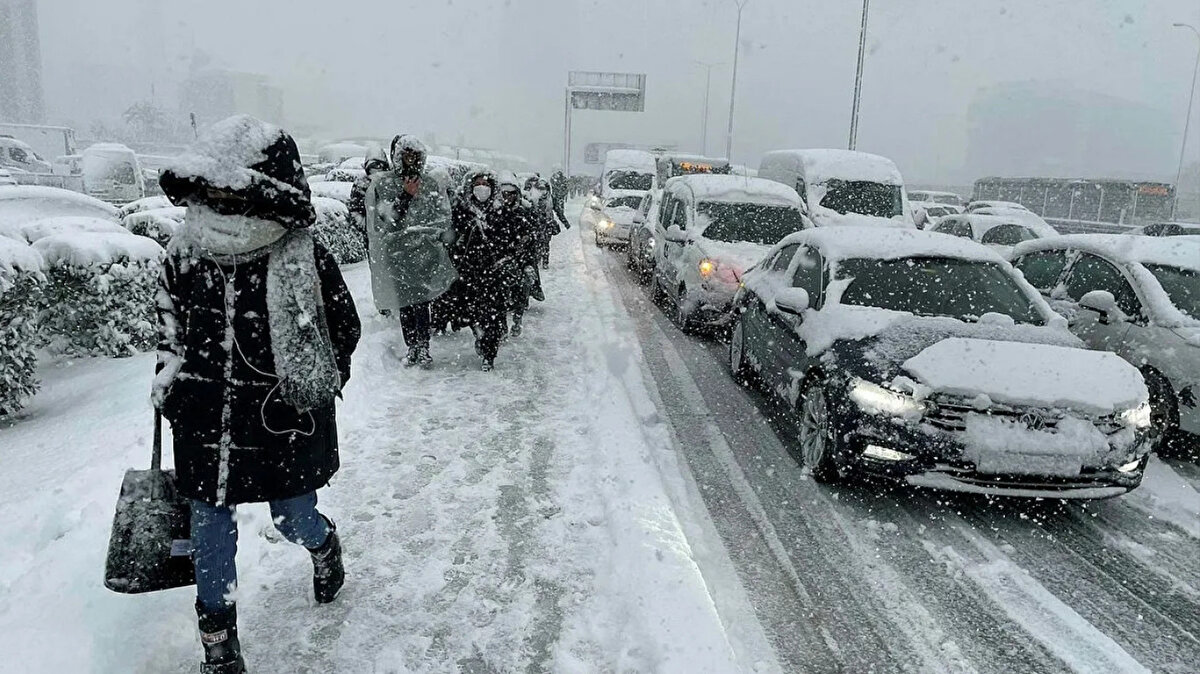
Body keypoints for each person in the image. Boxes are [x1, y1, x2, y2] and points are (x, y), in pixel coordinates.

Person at [154, 115, 362, 674]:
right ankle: (218, 643)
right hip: (203, 416)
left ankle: (323, 547)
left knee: (293, 516)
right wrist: (170, 383)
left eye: (234, 189)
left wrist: (309, 382)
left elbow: (343, 328)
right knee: (209, 528)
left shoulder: (300, 254)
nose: (221, 200)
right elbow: (169, 328)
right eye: (213, 188)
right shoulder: (184, 252)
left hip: (280, 419)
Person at [364, 134, 456, 366]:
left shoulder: (431, 184)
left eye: (416, 155)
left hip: (425, 253)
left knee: (422, 301)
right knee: (404, 301)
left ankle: (423, 346)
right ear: (398, 157)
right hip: (397, 253)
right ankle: (412, 345)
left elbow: (441, 216)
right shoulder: (384, 184)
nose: (411, 160)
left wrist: (438, 238)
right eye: (407, 155)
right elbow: (384, 221)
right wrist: (405, 196)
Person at [450, 169, 530, 369]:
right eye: (478, 184)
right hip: (468, 273)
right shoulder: (462, 211)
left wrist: (509, 255)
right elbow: (452, 239)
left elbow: (514, 238)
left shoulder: (500, 213)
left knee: (493, 315)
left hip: (494, 273)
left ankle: (489, 353)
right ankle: (479, 334)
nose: (482, 188)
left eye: (486, 184)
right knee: (470, 313)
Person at [497, 173, 540, 338]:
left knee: (522, 287)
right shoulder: (494, 211)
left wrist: (526, 240)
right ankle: (501, 326)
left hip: (522, 257)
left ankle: (517, 318)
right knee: (498, 294)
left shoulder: (525, 209)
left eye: (511, 193)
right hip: (500, 258)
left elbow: (533, 231)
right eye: (504, 193)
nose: (507, 197)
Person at [524, 175, 567, 272]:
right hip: (537, 224)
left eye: (544, 188)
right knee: (537, 242)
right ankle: (538, 258)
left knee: (546, 243)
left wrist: (565, 222)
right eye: (540, 189)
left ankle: (545, 261)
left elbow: (558, 211)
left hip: (548, 224)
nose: (543, 191)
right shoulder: (534, 198)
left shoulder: (551, 198)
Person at [347, 151, 389, 250]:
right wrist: (365, 225)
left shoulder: (390, 183)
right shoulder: (362, 184)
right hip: (371, 234)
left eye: (379, 167)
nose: (376, 172)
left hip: (388, 233)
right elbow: (354, 209)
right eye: (373, 168)